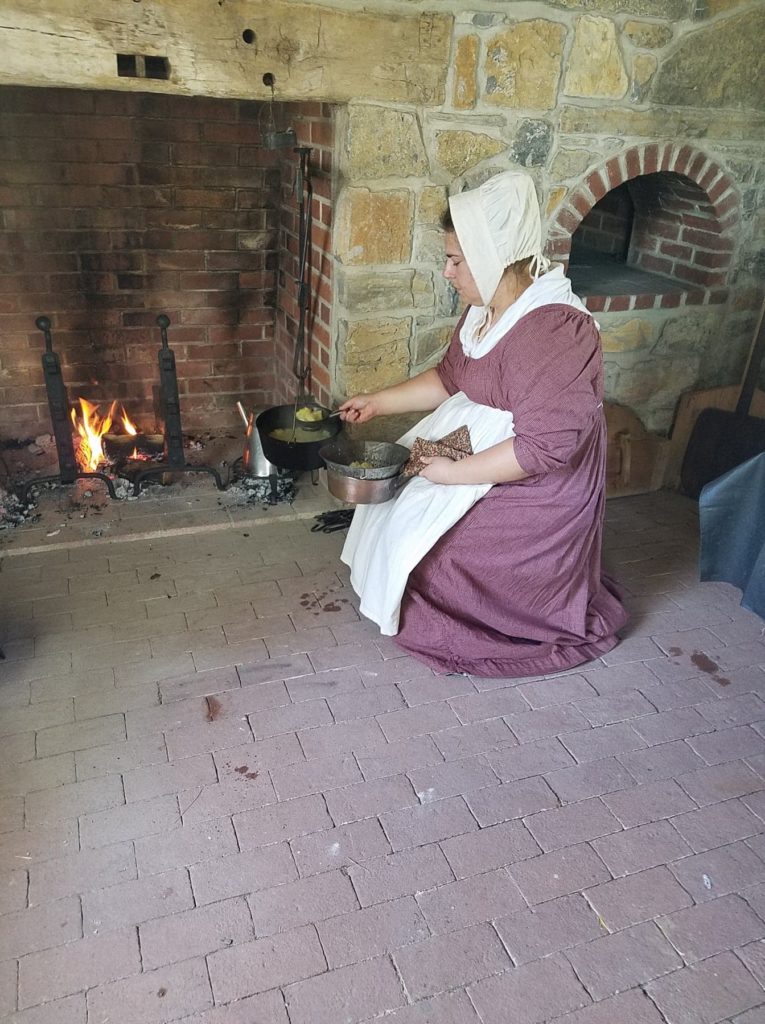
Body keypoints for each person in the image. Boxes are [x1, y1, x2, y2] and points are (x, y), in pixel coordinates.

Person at [339, 170, 628, 679]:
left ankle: (501, 618)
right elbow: (453, 379)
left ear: (494, 257)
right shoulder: (486, 308)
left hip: (539, 480)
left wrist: (451, 472)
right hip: (486, 444)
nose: (447, 272)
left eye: (455, 260)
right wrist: (378, 403)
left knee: (440, 552)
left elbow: (544, 449)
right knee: (398, 502)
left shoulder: (556, 329)